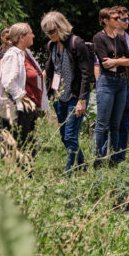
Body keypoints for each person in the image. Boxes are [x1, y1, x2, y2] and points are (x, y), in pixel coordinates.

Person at [42, 11, 93, 174]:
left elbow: (86, 73)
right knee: (64, 136)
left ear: (60, 27)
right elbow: (51, 69)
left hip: (75, 96)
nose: (49, 35)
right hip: (59, 96)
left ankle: (69, 172)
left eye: (51, 31)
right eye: (46, 33)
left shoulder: (76, 43)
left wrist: (82, 99)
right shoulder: (52, 46)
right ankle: (83, 165)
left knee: (71, 135)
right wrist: (50, 90)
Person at [0, 23, 49, 155]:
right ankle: (20, 173)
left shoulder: (26, 53)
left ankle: (28, 173)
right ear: (22, 37)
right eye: (31, 33)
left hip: (30, 108)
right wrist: (23, 98)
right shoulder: (13, 54)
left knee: (30, 144)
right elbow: (8, 81)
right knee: (21, 146)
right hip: (20, 108)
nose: (33, 35)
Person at [97, 6, 129, 161]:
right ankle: (101, 156)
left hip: (128, 85)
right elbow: (101, 64)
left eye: (128, 18)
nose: (127, 21)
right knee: (107, 123)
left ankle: (119, 157)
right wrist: (100, 85)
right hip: (109, 83)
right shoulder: (103, 39)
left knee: (124, 122)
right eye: (123, 19)